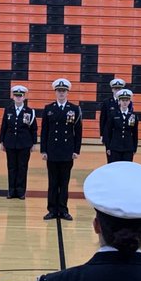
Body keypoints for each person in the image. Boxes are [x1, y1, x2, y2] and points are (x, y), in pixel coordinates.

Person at [41, 78, 83, 221]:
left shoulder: (74, 109)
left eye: (63, 91)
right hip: (52, 151)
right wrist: (43, 150)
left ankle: (63, 209)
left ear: (67, 92)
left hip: (67, 151)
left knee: (64, 183)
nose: (61, 93)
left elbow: (78, 131)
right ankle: (52, 210)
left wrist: (76, 150)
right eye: (59, 91)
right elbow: (45, 131)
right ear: (55, 92)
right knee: (52, 183)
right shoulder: (49, 109)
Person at [0, 84, 38, 199]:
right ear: (13, 97)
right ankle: (11, 191)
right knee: (11, 167)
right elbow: (4, 126)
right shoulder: (8, 110)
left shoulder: (30, 111)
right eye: (16, 95)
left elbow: (34, 128)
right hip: (10, 143)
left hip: (24, 144)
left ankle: (21, 191)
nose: (18, 98)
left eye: (20, 96)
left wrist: (34, 143)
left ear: (24, 97)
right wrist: (2, 141)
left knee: (22, 167)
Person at [103, 88, 139, 163]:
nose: (125, 103)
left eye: (127, 100)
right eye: (123, 100)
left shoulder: (133, 116)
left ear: (129, 102)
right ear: (119, 101)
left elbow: (135, 133)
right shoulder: (113, 114)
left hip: (128, 148)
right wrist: (108, 147)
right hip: (115, 147)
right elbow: (108, 131)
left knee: (126, 169)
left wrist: (134, 148)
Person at [99, 78, 126, 163]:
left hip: (122, 135)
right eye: (115, 88)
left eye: (119, 88)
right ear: (112, 89)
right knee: (111, 160)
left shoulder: (127, 102)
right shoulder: (107, 102)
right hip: (110, 135)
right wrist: (102, 134)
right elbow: (103, 119)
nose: (117, 91)